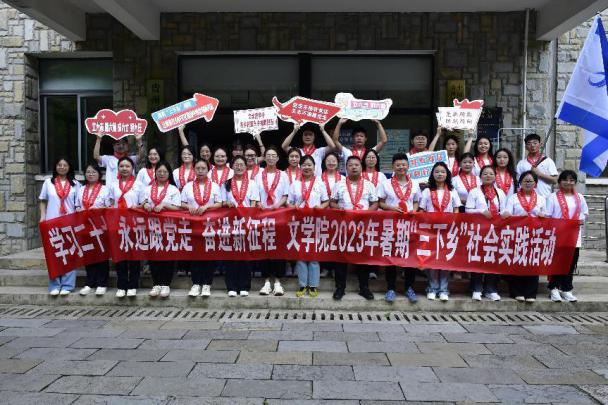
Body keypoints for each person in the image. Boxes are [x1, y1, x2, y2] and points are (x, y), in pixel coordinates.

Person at [330, 156, 379, 300]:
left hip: (363, 226)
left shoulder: (369, 185)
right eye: (350, 165)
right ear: (346, 168)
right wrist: (339, 209)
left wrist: (366, 213)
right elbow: (332, 202)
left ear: (361, 167)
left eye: (356, 165)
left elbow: (375, 203)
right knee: (341, 257)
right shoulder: (339, 184)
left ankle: (364, 288)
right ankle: (340, 288)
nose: (354, 167)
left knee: (362, 257)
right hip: (344, 226)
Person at [378, 153, 421, 303]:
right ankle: (391, 288)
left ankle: (409, 287)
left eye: (403, 165)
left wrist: (414, 211)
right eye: (398, 165)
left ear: (408, 166)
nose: (401, 167)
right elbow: (380, 203)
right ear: (393, 166)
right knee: (391, 256)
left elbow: (416, 201)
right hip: (391, 224)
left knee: (410, 256)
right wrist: (391, 208)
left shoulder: (414, 184)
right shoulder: (386, 184)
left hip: (409, 224)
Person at [287, 155, 330, 298]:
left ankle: (313, 285)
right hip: (299, 224)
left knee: (313, 255)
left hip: (315, 223)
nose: (307, 167)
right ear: (300, 167)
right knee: (300, 255)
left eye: (309, 165)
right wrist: (293, 207)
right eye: (304, 165)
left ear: (314, 167)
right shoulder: (295, 184)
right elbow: (289, 203)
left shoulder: (320, 183)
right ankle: (302, 285)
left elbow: (326, 201)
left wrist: (321, 207)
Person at [502, 170, 547, 303]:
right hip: (517, 234)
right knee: (517, 262)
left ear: (535, 183)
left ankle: (530, 292)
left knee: (533, 262)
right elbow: (507, 215)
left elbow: (546, 216)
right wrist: (515, 216)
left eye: (530, 181)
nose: (528, 183)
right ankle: (516, 291)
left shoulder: (541, 199)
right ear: (520, 183)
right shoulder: (513, 198)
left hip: (535, 234)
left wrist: (542, 215)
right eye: (525, 181)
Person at [419, 161, 461, 301]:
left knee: (444, 260)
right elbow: (422, 210)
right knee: (432, 259)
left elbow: (456, 209)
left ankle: (444, 289)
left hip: (447, 231)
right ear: (432, 174)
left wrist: (452, 222)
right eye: (437, 172)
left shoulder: (452, 191)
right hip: (430, 231)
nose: (440, 174)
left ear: (447, 174)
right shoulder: (427, 191)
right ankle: (432, 288)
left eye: (442, 172)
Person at [181, 159, 223, 298]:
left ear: (208, 170)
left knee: (209, 254)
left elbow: (219, 203)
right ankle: (196, 283)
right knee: (196, 254)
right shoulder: (188, 186)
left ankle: (206, 284)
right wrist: (189, 206)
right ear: (194, 170)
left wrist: (206, 207)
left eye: (203, 168)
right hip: (193, 224)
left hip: (210, 225)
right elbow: (181, 203)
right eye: (198, 168)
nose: (200, 171)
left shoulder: (215, 186)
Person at [39, 157, 80, 296]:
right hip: (52, 221)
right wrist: (43, 216)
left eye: (65, 165)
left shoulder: (75, 184)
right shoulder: (48, 183)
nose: (62, 167)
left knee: (69, 254)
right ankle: (55, 285)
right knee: (54, 254)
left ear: (69, 167)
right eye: (59, 165)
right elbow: (42, 200)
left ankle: (68, 285)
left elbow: (78, 203)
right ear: (55, 167)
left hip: (70, 222)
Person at [465, 165, 507, 301]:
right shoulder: (474, 192)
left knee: (492, 259)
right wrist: (481, 212)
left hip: (495, 230)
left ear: (495, 176)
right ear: (480, 176)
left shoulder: (500, 193)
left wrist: (503, 214)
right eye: (485, 174)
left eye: (491, 174)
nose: (488, 176)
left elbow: (504, 210)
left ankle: (491, 289)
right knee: (478, 259)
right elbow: (468, 210)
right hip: (479, 230)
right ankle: (476, 288)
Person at [546, 170, 588, 302]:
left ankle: (566, 289)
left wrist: (580, 220)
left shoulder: (579, 197)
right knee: (557, 262)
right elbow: (548, 215)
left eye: (571, 180)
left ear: (575, 182)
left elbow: (584, 213)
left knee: (571, 262)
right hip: (557, 236)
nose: (568, 182)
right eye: (565, 179)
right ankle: (554, 288)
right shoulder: (552, 197)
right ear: (559, 182)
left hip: (574, 236)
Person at [141, 161, 182, 298]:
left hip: (169, 227)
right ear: (155, 173)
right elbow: (142, 202)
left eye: (165, 171)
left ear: (169, 173)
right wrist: (145, 205)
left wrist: (164, 205)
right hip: (152, 226)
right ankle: (156, 283)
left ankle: (166, 284)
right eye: (159, 171)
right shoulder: (148, 189)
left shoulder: (173, 189)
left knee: (168, 255)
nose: (162, 174)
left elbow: (178, 207)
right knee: (154, 254)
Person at [222, 156, 260, 297]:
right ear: (232, 166)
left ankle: (244, 286)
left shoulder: (252, 183)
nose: (239, 167)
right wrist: (227, 203)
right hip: (231, 222)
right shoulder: (226, 183)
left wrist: (248, 218)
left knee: (245, 255)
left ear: (245, 167)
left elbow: (254, 202)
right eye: (236, 164)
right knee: (231, 255)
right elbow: (221, 202)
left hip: (246, 222)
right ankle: (231, 286)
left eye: (241, 165)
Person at [255, 147, 290, 296]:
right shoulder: (258, 175)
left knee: (278, 248)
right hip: (263, 215)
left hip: (279, 215)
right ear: (264, 158)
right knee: (264, 247)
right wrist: (258, 204)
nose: (270, 158)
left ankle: (278, 282)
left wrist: (278, 204)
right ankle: (266, 282)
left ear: (277, 158)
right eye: (268, 155)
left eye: (273, 155)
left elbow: (286, 195)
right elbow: (255, 194)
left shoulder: (283, 175)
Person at [109, 157, 142, 298]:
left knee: (134, 254)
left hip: (134, 223)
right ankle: (122, 285)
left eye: (127, 166)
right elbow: (111, 203)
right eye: (121, 166)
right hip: (118, 223)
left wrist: (137, 207)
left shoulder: (138, 184)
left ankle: (133, 284)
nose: (124, 168)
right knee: (120, 254)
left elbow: (143, 203)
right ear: (118, 168)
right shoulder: (113, 184)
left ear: (132, 168)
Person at [76, 163, 110, 296]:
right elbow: (77, 205)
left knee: (101, 254)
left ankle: (102, 283)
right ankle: (90, 282)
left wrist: (99, 210)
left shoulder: (105, 189)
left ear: (99, 174)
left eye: (94, 172)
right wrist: (78, 209)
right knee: (88, 254)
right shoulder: (81, 189)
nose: (91, 174)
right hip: (85, 226)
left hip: (100, 226)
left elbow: (109, 208)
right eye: (88, 172)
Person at [320, 151, 343, 279]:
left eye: (334, 161)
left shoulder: (343, 179)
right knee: (324, 241)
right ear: (324, 162)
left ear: (338, 163)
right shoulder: (318, 178)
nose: (331, 163)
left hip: (338, 214)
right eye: (328, 161)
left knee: (336, 241)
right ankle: (325, 268)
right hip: (322, 214)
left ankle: (335, 268)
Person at [516, 133, 558, 198]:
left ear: (540, 144)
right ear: (526, 147)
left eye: (535, 143)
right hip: (526, 198)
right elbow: (518, 182)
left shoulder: (548, 161)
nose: (532, 145)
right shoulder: (521, 163)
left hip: (545, 197)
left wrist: (539, 174)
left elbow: (554, 180)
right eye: (529, 143)